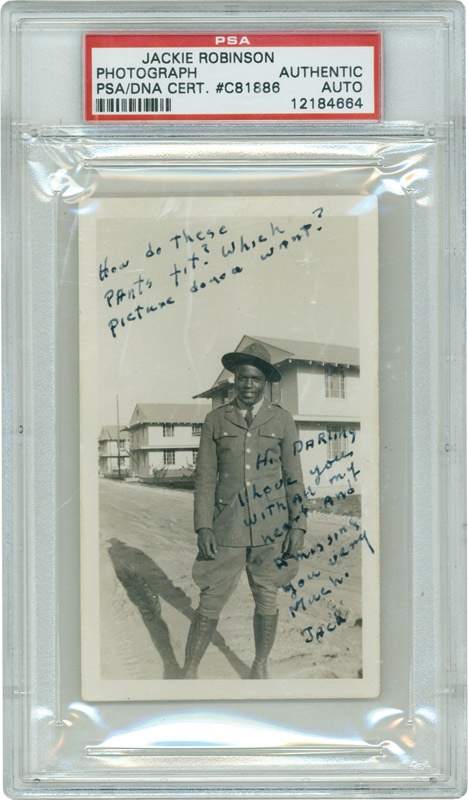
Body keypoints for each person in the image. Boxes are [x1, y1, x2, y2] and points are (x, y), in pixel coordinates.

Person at [182, 341, 307, 679]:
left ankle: (260, 664)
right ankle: (190, 669)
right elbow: (205, 480)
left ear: (265, 382)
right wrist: (203, 527)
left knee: (267, 596)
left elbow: (294, 477)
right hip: (227, 527)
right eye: (242, 377)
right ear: (234, 380)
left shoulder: (282, 420)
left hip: (272, 528)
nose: (248, 385)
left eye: (255, 379)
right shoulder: (214, 420)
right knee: (211, 597)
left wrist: (299, 527)